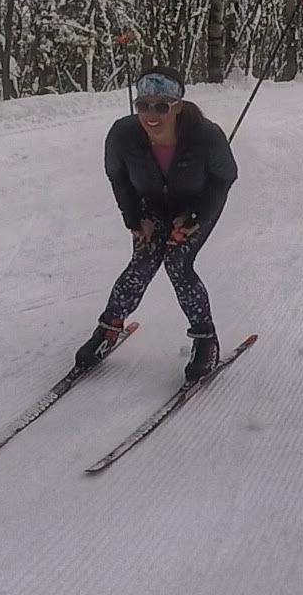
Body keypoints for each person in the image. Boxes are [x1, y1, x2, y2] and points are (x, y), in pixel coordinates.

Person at [75, 66, 239, 382]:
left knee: (177, 262)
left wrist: (195, 219)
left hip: (195, 204)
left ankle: (206, 339)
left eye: (161, 106)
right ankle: (109, 329)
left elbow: (225, 177)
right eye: (143, 105)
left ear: (177, 106)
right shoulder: (122, 135)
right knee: (144, 260)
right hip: (151, 204)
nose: (152, 114)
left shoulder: (205, 135)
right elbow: (118, 177)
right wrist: (134, 220)